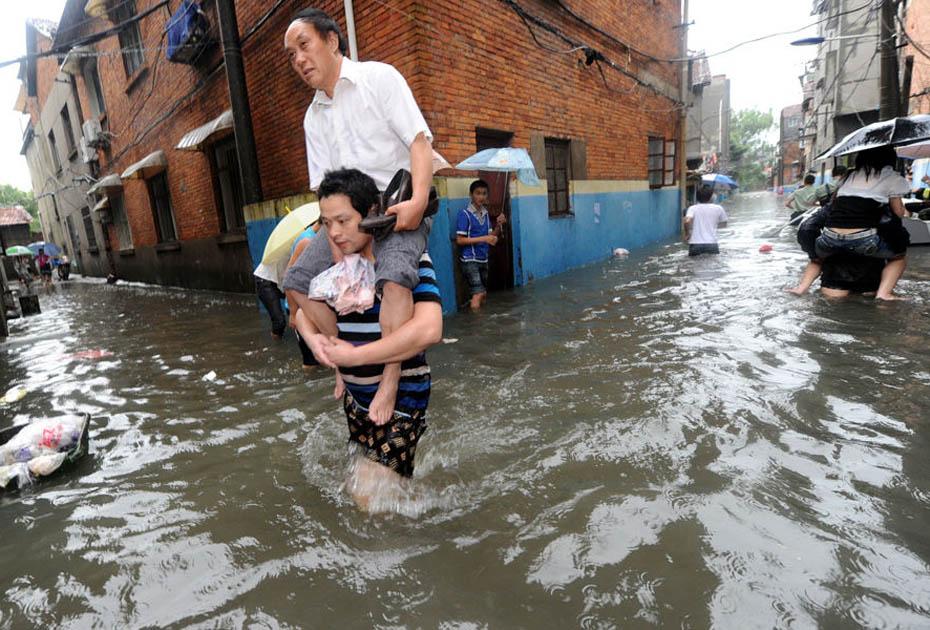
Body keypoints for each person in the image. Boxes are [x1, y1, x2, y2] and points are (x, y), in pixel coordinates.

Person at [282, 7, 434, 425]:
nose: (299, 60)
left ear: (332, 41)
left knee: (395, 277)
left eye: (304, 45)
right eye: (292, 55)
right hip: (345, 218)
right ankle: (343, 359)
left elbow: (419, 143)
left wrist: (418, 203)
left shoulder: (379, 79)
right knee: (295, 280)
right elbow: (324, 190)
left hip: (395, 209)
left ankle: (390, 376)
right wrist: (335, 244)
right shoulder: (312, 117)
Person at [293, 169, 442, 511]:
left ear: (370, 212)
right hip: (357, 402)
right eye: (326, 223)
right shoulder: (337, 270)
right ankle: (419, 502)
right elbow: (303, 315)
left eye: (343, 221)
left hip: (403, 398)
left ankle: (434, 516)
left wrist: (355, 357)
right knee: (365, 486)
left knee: (366, 496)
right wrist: (316, 343)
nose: (334, 233)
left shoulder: (407, 262)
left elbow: (429, 330)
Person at [786, 146, 911, 299]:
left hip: (829, 239)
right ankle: (884, 293)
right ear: (890, 160)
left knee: (816, 259)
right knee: (900, 256)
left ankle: (801, 288)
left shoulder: (847, 177)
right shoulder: (892, 178)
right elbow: (898, 213)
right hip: (864, 240)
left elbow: (836, 204)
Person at [455, 179, 506, 310]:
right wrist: (484, 239)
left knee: (483, 294)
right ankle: (476, 322)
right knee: (478, 294)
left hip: (483, 259)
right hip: (470, 259)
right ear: (471, 195)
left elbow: (491, 235)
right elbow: (460, 240)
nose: (481, 197)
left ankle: (482, 319)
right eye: (478, 193)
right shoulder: (464, 214)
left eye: (484, 194)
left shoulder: (485, 213)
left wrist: (498, 225)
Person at [683, 185, 728, 256]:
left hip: (695, 243)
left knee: (693, 262)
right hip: (712, 243)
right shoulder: (718, 208)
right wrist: (713, 225)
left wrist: (687, 234)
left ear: (697, 197)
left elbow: (687, 221)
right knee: (713, 262)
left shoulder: (692, 208)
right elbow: (724, 224)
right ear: (711, 197)